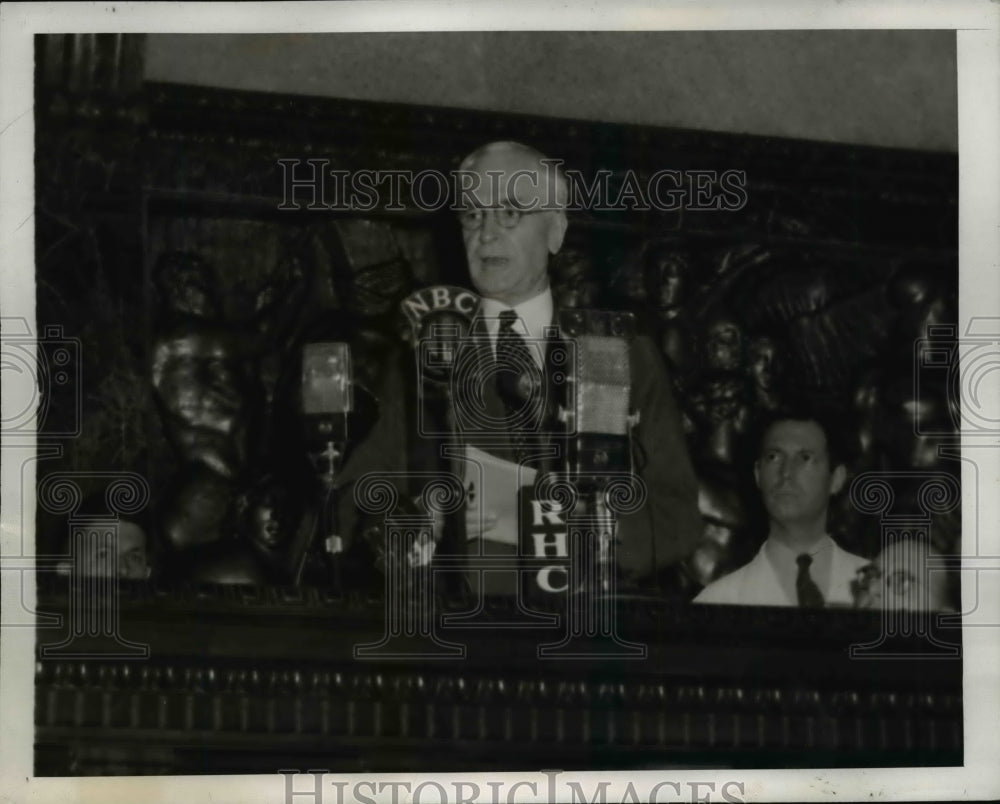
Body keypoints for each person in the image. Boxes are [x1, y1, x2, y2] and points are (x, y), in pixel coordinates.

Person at [335, 140, 701, 591]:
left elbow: (675, 518)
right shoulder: (424, 358)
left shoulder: (613, 356)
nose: (486, 232)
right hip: (456, 638)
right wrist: (415, 523)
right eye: (472, 215)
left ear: (556, 231)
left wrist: (537, 520)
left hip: (583, 637)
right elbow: (355, 498)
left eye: (509, 213)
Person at [694, 409, 869, 607]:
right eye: (773, 457)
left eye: (804, 458)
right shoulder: (716, 603)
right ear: (758, 475)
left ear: (836, 479)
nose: (786, 472)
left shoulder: (880, 594)